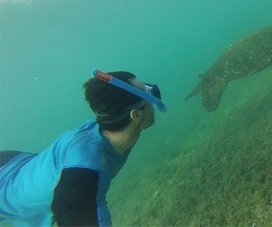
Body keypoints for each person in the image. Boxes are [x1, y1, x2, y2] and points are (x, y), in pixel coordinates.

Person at [0, 70, 166, 226]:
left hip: (17, 164)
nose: (153, 93)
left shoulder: (108, 130)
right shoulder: (86, 169)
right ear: (135, 115)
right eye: (147, 92)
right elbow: (72, 208)